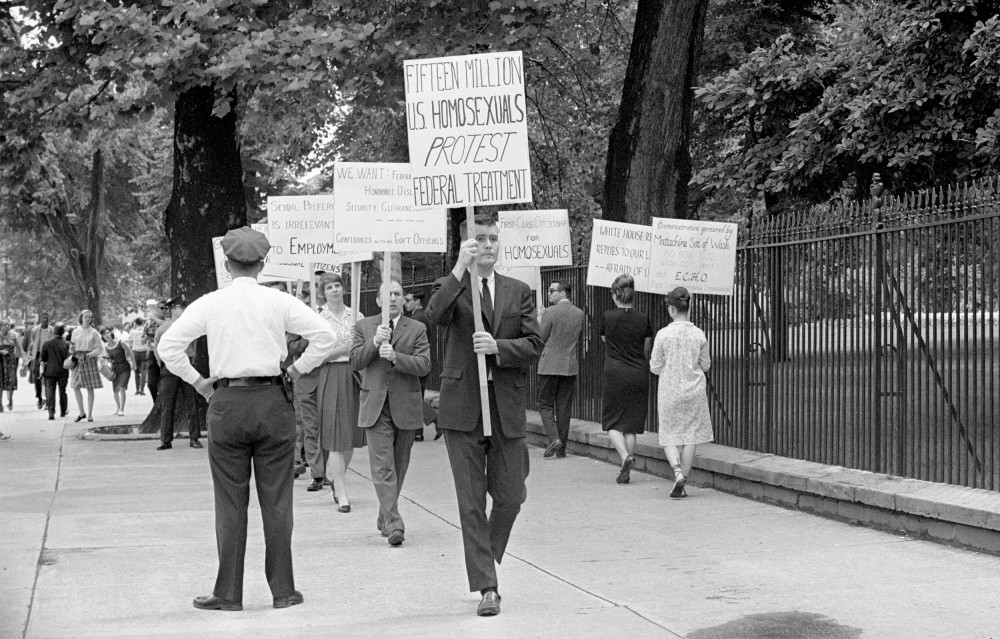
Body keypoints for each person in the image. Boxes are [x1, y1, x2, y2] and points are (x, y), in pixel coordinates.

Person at [157, 226, 335, 612]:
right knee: (277, 501)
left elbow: (168, 346)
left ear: (226, 262)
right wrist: (297, 370)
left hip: (227, 402)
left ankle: (228, 593)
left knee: (230, 502)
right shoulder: (279, 301)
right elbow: (326, 335)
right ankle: (284, 590)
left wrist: (200, 383)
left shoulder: (210, 303)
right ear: (263, 263)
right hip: (273, 399)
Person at [425, 212, 542, 617]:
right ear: (465, 244)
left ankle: (484, 560)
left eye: (493, 238)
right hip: (462, 408)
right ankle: (488, 587)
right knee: (471, 502)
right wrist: (459, 267)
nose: (488, 244)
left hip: (505, 406)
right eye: (480, 238)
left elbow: (533, 345)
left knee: (512, 495)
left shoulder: (518, 290)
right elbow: (432, 318)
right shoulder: (451, 286)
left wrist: (498, 348)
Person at [352, 279, 431, 546]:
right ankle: (395, 522)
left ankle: (384, 515)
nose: (394, 298)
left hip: (405, 406)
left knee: (399, 466)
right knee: (383, 466)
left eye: (398, 294)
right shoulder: (364, 326)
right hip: (375, 405)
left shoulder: (417, 328)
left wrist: (397, 357)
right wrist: (375, 342)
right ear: (378, 301)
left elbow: (424, 365)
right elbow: (355, 360)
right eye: (389, 295)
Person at [300, 272, 366, 510]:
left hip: (354, 375)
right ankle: (341, 490)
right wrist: (344, 348)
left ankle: (338, 479)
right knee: (337, 437)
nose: (335, 290)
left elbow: (363, 345)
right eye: (330, 288)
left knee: (350, 438)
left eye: (338, 285)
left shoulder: (356, 314)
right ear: (323, 293)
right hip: (331, 374)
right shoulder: (318, 318)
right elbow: (317, 355)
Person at [650, 287, 713, 499]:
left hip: (670, 389)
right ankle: (683, 481)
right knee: (690, 436)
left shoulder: (663, 335)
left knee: (669, 434)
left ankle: (677, 472)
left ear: (671, 309)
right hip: (694, 390)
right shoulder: (699, 334)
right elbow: (705, 364)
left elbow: (655, 366)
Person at [600, 274, 653, 485]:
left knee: (611, 422)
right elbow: (646, 347)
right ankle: (627, 471)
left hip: (614, 372)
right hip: (638, 373)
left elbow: (605, 340)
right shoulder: (644, 318)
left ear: (615, 294)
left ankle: (625, 457)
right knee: (631, 424)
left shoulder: (607, 317)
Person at [537, 279, 585, 459]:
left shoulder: (549, 312)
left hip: (549, 365)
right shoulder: (579, 313)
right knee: (564, 407)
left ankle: (554, 438)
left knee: (545, 404)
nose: (549, 294)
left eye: (552, 291)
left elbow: (540, 337)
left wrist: (539, 319)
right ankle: (562, 449)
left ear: (563, 293)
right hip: (569, 366)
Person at [155, 299, 202, 450]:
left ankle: (194, 438)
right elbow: (157, 348)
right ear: (173, 310)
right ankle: (166, 440)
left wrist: (190, 359)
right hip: (169, 367)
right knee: (167, 404)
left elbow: (194, 345)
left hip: (185, 365)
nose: (182, 309)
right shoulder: (164, 328)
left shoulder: (188, 326)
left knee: (191, 403)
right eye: (180, 307)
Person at [403, 289, 435, 441]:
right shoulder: (419, 316)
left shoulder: (417, 318)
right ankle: (418, 432)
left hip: (416, 362)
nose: (405, 303)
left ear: (417, 301)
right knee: (416, 396)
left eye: (408, 300)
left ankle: (435, 419)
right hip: (419, 361)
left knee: (414, 397)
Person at [70, 309, 103, 422]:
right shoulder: (75, 332)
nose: (88, 319)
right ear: (81, 318)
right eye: (86, 316)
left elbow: (99, 348)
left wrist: (91, 354)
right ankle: (81, 412)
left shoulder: (94, 332)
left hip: (89, 359)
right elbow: (72, 345)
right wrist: (71, 354)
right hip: (77, 359)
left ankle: (89, 414)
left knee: (90, 388)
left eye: (90, 317)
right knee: (75, 386)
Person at [99, 325, 135, 416]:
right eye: (104, 334)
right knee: (115, 390)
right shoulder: (106, 348)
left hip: (124, 367)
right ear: (103, 337)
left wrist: (134, 365)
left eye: (107, 333)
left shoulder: (120, 343)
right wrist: (105, 361)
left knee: (122, 387)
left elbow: (130, 353)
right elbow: (110, 360)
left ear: (111, 333)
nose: (106, 335)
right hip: (114, 369)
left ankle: (122, 409)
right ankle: (118, 407)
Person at [40, 323, 70, 420]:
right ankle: (63, 412)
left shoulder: (47, 343)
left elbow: (43, 358)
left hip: (50, 371)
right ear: (63, 333)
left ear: (54, 332)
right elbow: (69, 358)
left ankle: (51, 412)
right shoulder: (66, 344)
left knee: (50, 392)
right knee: (63, 392)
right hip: (63, 371)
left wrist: (41, 370)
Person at [26, 313, 55, 410]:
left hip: (49, 356)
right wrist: (30, 354)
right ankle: (39, 398)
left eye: (47, 318)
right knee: (37, 377)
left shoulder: (52, 330)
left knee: (48, 378)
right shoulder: (35, 330)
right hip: (38, 355)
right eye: (44, 318)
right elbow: (32, 343)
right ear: (40, 319)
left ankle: (48, 401)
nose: (45, 320)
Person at [144, 299, 170, 401]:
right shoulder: (149, 323)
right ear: (156, 309)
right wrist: (147, 337)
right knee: (151, 383)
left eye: (166, 308)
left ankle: (163, 403)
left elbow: (166, 325)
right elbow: (143, 339)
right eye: (162, 308)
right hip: (152, 353)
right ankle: (156, 403)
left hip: (165, 354)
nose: (164, 310)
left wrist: (154, 319)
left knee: (165, 382)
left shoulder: (169, 321)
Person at [0, 318, 24, 412]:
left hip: (10, 362)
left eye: (8, 324)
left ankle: (10, 400)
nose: (7, 326)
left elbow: (20, 348)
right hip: (0, 361)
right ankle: (0, 402)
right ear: (1, 326)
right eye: (5, 324)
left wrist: (25, 362)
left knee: (11, 381)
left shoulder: (13, 336)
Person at [129, 317, 149, 395]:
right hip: (144, 351)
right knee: (144, 371)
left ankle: (137, 389)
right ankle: (142, 389)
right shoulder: (145, 331)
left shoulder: (132, 332)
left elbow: (130, 340)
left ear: (135, 323)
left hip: (136, 352)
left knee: (136, 371)